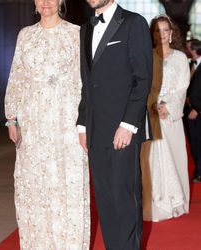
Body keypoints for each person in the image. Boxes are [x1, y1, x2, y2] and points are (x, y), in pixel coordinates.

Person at [4, 0, 90, 249]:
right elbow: (16, 76)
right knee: (35, 185)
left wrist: (83, 124)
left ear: (61, 0)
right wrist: (12, 117)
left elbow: (85, 83)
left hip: (66, 122)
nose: (46, 3)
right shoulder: (26, 35)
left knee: (66, 185)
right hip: (33, 123)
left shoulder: (76, 33)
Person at [77, 0, 153, 248]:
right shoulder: (85, 28)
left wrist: (129, 124)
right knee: (106, 200)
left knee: (124, 198)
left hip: (123, 129)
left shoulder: (134, 23)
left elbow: (143, 79)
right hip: (95, 128)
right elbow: (87, 83)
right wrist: (82, 125)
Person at [141, 15, 190, 222]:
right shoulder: (147, 56)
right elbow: (142, 85)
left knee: (174, 156)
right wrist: (152, 104)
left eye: (165, 30)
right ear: (152, 34)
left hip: (171, 118)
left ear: (171, 33)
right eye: (157, 31)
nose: (161, 34)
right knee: (151, 161)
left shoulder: (180, 58)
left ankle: (176, 200)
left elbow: (182, 87)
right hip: (150, 115)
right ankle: (153, 200)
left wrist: (167, 106)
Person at [187, 39, 201, 183]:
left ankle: (199, 172)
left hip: (198, 111)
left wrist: (197, 109)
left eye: (188, 48)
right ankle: (198, 170)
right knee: (194, 143)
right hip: (188, 110)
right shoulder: (190, 64)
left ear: (194, 49)